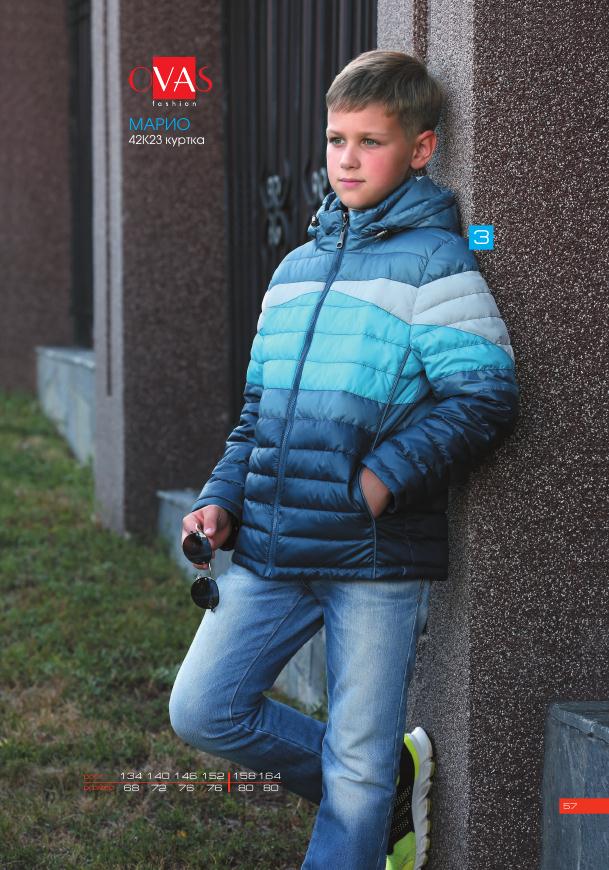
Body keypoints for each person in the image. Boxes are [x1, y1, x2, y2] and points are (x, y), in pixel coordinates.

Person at [169, 49, 519, 870]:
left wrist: (380, 479)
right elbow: (257, 415)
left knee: (355, 761)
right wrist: (222, 499)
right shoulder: (294, 270)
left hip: (372, 557)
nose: (348, 160)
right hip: (270, 548)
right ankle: (382, 784)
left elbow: (484, 396)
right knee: (203, 710)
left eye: (371, 141)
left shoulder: (436, 261)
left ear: (420, 150)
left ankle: (364, 796)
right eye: (336, 140)